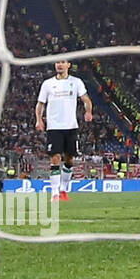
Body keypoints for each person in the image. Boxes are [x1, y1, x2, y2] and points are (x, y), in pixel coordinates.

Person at [35, 59, 93, 202]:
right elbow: (40, 104)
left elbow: (86, 99)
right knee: (55, 158)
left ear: (68, 65)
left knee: (69, 159)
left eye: (62, 62)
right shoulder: (47, 84)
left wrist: (88, 112)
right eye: (57, 62)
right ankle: (54, 193)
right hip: (54, 127)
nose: (59, 65)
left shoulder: (76, 82)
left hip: (71, 126)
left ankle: (63, 190)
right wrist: (39, 119)